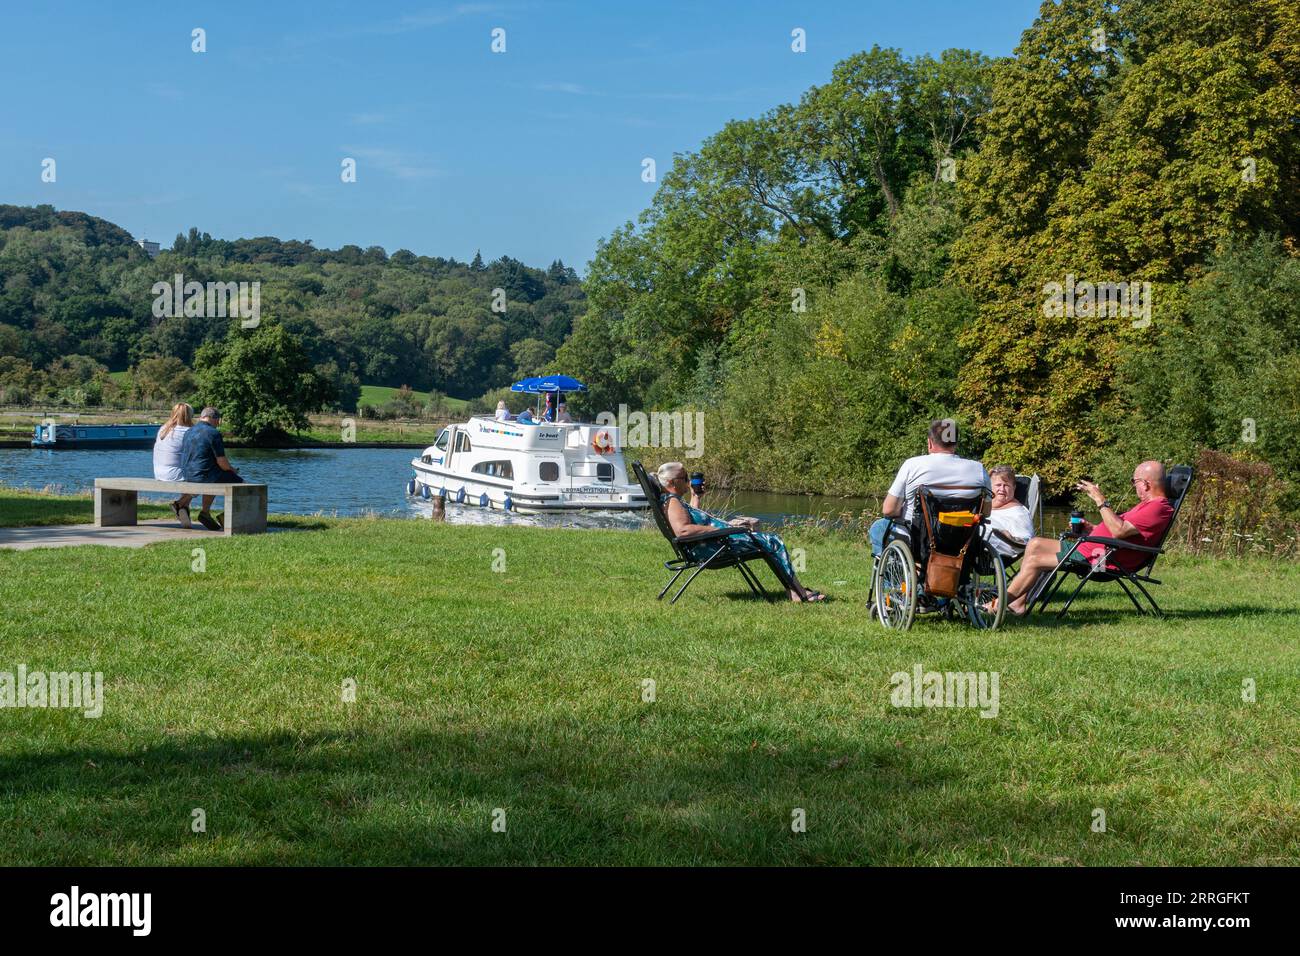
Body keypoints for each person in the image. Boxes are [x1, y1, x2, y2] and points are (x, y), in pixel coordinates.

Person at [1000, 460, 1175, 616]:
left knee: (1034, 561)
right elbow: (1121, 530)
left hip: (1103, 560)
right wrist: (1091, 528)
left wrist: (1100, 500)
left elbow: (1119, 531)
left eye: (1134, 482)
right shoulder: (1146, 506)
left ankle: (998, 605)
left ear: (1145, 484)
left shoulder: (1158, 508)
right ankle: (1017, 602)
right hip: (1094, 549)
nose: (1133, 486)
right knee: (1035, 543)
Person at [656, 461, 825, 602]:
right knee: (773, 541)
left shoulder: (673, 501)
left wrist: (696, 497)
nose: (688, 480)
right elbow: (684, 531)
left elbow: (688, 521)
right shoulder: (673, 503)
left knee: (767, 540)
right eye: (684, 477)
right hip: (714, 547)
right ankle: (798, 592)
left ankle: (794, 589)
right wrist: (722, 529)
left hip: (710, 544)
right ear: (672, 482)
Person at [869, 420, 990, 556]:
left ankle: (889, 576)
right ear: (955, 443)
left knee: (878, 527)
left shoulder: (912, 465)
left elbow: (889, 509)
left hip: (919, 539)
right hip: (962, 540)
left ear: (930, 442)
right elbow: (985, 512)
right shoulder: (978, 469)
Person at [179, 407, 243, 531]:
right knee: (243, 485)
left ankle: (205, 513)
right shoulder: (213, 433)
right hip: (204, 475)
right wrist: (232, 470)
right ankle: (226, 517)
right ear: (214, 419)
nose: (218, 424)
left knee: (215, 477)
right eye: (218, 420)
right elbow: (222, 462)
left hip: (188, 474)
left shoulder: (189, 431)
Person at [153, 403, 194, 526]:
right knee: (203, 479)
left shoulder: (163, 428)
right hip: (174, 474)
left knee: (190, 477)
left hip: (159, 472)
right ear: (190, 416)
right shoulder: (188, 431)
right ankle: (180, 504)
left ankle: (184, 512)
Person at [983, 464, 1034, 559]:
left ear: (1014, 487)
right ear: (989, 487)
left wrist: (1012, 538)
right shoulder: (983, 505)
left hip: (993, 550)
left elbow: (1025, 543)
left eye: (1006, 485)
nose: (1001, 489)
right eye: (998, 485)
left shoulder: (1018, 512)